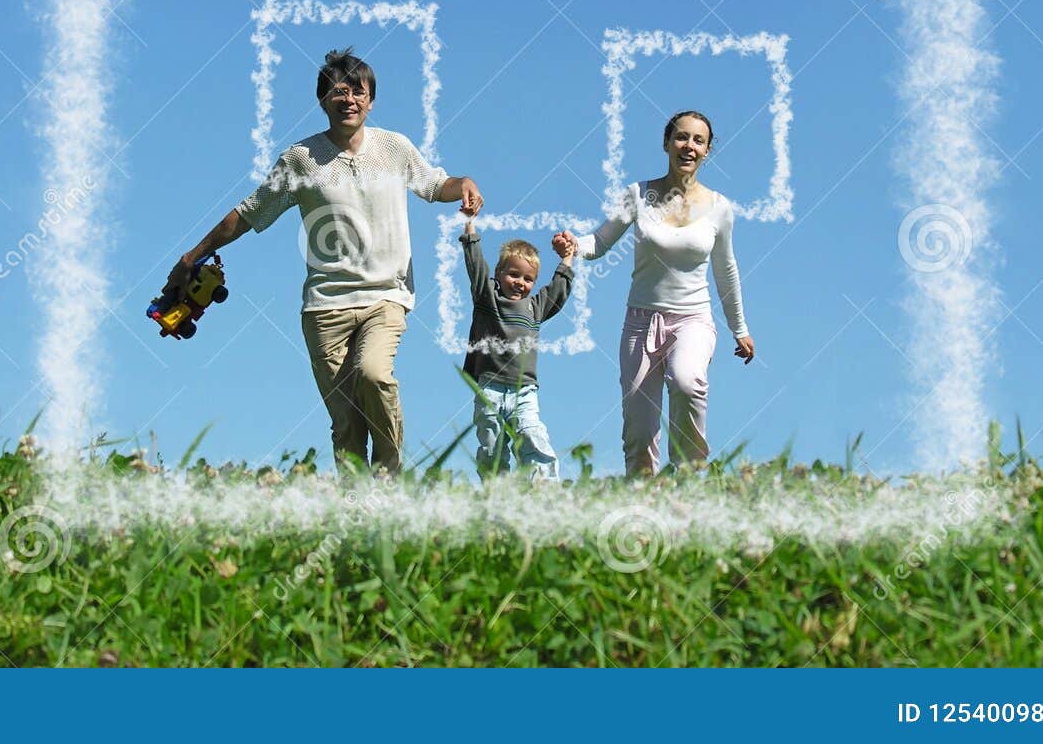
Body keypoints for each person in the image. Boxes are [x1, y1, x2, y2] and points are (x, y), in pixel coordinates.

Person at [164, 49, 482, 473]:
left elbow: (436, 183)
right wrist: (192, 256)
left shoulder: (394, 148)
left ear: (371, 101)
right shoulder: (301, 159)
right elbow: (249, 212)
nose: (348, 99)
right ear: (322, 100)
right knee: (347, 424)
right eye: (338, 91)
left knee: (373, 374)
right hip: (324, 307)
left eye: (358, 92)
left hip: (385, 296)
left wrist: (464, 184)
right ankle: (355, 514)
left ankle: (390, 484)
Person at [554, 110, 754, 476]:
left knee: (687, 380)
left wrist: (738, 328)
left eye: (698, 140)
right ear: (666, 143)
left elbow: (726, 270)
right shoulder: (638, 195)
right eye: (681, 137)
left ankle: (690, 477)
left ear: (707, 151)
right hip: (640, 323)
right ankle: (644, 501)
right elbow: (599, 242)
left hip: (693, 320)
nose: (688, 146)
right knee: (639, 429)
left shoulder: (719, 208)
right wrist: (573, 245)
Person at [460, 218, 575, 480]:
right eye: (513, 274)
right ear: (498, 273)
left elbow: (558, 290)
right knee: (492, 446)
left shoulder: (535, 307)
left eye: (528, 278)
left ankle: (543, 487)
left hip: (524, 390)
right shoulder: (486, 296)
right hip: (490, 387)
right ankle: (496, 491)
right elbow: (475, 264)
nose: (520, 282)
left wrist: (567, 258)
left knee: (532, 435)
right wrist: (469, 226)